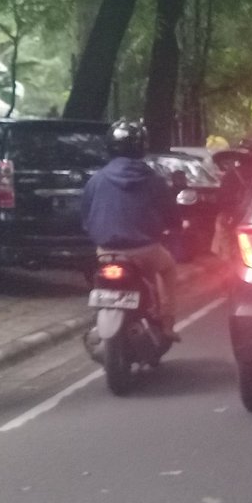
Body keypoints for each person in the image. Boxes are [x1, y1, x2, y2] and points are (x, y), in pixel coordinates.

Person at [81, 118, 182, 342]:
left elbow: (86, 218)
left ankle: (97, 316)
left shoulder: (96, 180)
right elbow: (171, 215)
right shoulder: (154, 180)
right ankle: (167, 323)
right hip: (145, 251)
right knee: (168, 269)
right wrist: (173, 227)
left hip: (106, 252)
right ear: (142, 147)